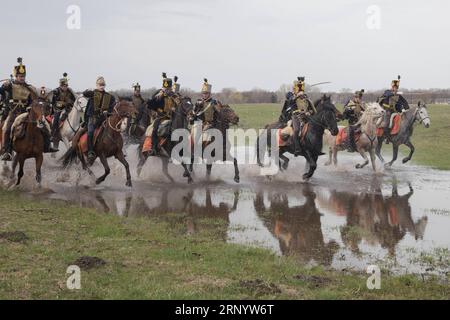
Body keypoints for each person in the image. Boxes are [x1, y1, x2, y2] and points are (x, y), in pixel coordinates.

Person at [0, 58, 57, 161]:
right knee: (6, 128)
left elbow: (33, 100)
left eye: (23, 76)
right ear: (16, 76)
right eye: (20, 76)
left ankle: (47, 146)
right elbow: (1, 91)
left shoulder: (30, 88)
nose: (22, 78)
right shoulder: (10, 86)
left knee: (45, 124)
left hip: (25, 113)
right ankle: (7, 152)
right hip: (13, 113)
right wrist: (4, 85)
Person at [82, 76, 116, 162]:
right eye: (100, 84)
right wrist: (89, 90)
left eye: (103, 84)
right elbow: (85, 94)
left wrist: (107, 111)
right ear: (97, 85)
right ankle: (90, 151)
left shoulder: (109, 96)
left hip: (104, 118)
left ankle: (118, 149)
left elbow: (113, 105)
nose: (102, 86)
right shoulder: (92, 93)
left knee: (114, 129)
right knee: (90, 132)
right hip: (92, 118)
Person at [146, 73, 180, 155]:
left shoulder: (174, 96)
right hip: (161, 117)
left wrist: (175, 108)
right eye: (165, 88)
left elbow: (179, 104)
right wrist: (161, 111)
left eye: (168, 88)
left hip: (172, 118)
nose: (167, 90)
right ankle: (153, 148)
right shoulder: (159, 95)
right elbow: (151, 105)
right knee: (155, 129)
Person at [377, 76, 409, 144]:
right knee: (387, 123)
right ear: (392, 87)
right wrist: (393, 93)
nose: (395, 89)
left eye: (396, 88)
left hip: (395, 111)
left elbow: (404, 102)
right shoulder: (387, 92)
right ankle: (386, 137)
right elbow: (387, 94)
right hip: (387, 111)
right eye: (394, 87)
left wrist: (405, 109)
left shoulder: (398, 96)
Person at [290, 77, 316, 156]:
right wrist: (296, 96)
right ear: (296, 91)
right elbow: (292, 107)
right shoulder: (293, 100)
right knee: (297, 130)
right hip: (296, 117)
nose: (301, 93)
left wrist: (309, 112)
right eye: (299, 91)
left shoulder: (307, 99)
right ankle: (297, 149)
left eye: (302, 91)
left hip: (306, 117)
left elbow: (313, 110)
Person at [50, 73, 76, 143]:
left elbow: (73, 101)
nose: (65, 87)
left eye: (66, 86)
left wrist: (69, 104)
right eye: (64, 86)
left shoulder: (70, 92)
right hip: (58, 109)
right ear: (60, 85)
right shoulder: (56, 91)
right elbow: (54, 102)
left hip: (68, 109)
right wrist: (62, 104)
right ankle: (53, 134)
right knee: (56, 119)